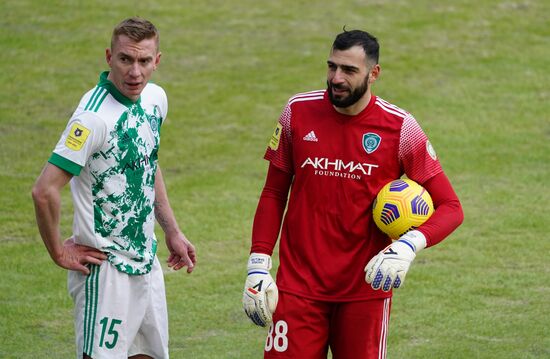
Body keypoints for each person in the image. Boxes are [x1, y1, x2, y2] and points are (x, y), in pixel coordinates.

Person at [242, 29, 463, 358]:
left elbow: (451, 207)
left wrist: (407, 245)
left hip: (366, 293)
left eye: (348, 70)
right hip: (297, 290)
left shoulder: (400, 128)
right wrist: (258, 264)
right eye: (332, 67)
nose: (336, 78)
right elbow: (274, 192)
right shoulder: (297, 112)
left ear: (374, 74)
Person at [32, 17, 196, 359]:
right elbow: (44, 190)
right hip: (105, 273)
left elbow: (147, 163)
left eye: (144, 61)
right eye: (125, 59)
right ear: (109, 57)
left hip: (147, 263)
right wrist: (58, 254)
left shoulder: (155, 99)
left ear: (157, 61)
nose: (134, 72)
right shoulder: (92, 119)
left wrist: (172, 230)